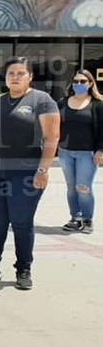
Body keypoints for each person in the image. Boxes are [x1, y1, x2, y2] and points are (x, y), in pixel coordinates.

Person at [0, 57, 60, 290]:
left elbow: (52, 137)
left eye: (20, 73)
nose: (15, 77)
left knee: (21, 221)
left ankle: (23, 269)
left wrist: (43, 170)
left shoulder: (42, 101)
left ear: (30, 77)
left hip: (26, 172)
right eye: (11, 73)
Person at [57, 69, 103, 234]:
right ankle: (75, 218)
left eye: (83, 82)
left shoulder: (98, 104)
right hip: (65, 152)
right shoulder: (62, 102)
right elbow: (54, 124)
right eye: (76, 81)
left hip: (87, 153)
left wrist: (100, 150)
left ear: (90, 84)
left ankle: (87, 219)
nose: (78, 84)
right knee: (71, 187)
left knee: (83, 187)